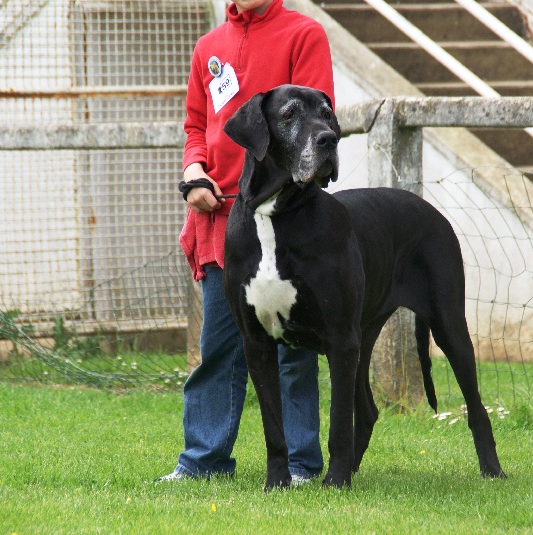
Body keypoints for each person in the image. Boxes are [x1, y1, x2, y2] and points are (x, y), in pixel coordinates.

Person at [158, 0, 335, 484]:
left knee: (294, 353)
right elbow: (196, 127)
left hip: (292, 221)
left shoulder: (305, 34)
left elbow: (320, 122)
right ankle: (203, 463)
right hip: (223, 222)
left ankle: (300, 465)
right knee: (218, 347)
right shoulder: (208, 47)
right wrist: (194, 172)